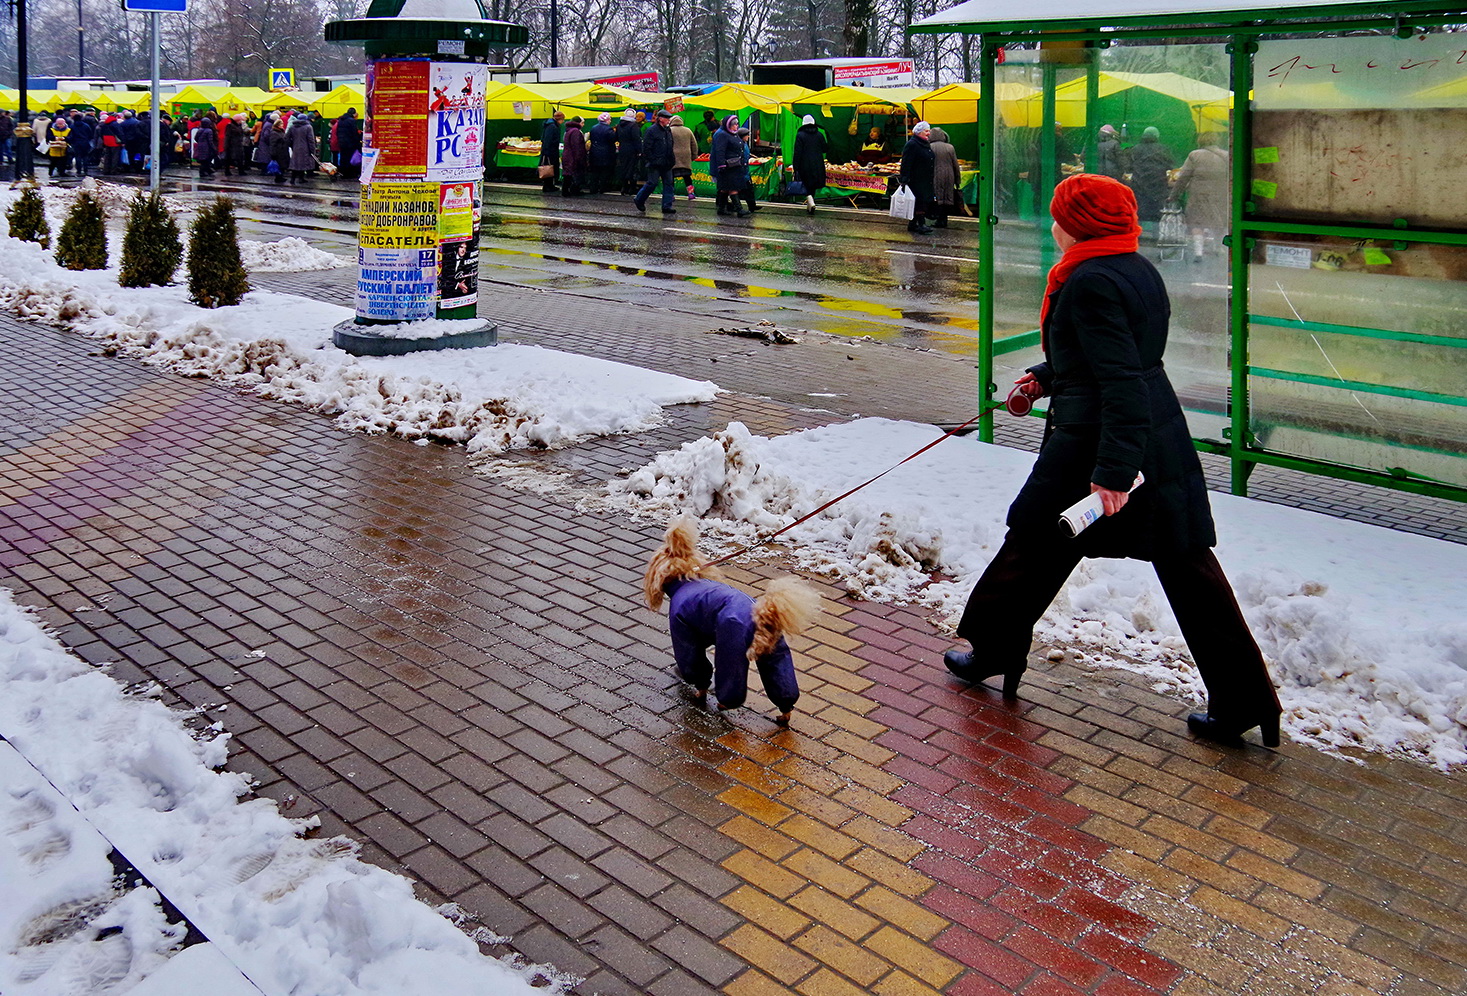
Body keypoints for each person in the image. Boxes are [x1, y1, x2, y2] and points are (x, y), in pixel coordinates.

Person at [941, 173, 1283, 750]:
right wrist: (1044, 378)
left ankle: (993, 651)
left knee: (1033, 541)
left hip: (1102, 445)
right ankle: (1246, 701)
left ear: (1079, 224)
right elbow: (1123, 356)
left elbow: (1121, 376)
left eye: (1058, 215)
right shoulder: (1133, 268)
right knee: (1185, 568)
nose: (1052, 225)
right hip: (1147, 436)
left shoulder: (1089, 281)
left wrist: (1113, 473)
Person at [1170, 131, 1229, 262]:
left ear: (1200, 141)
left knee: (1198, 222)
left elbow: (1183, 177)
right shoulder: (1226, 156)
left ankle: (1198, 253)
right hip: (1220, 193)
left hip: (1199, 194)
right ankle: (1218, 247)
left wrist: (1174, 195)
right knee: (1219, 221)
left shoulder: (1194, 155)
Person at [1127, 126, 1175, 234]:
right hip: (1158, 185)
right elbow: (1170, 165)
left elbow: (1128, 167)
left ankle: (1139, 234)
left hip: (1139, 185)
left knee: (1139, 210)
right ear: (1157, 136)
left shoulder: (1135, 149)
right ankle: (1156, 235)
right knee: (1156, 212)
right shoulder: (1163, 149)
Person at [633, 108, 677, 216]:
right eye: (666, 118)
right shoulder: (652, 130)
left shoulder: (668, 130)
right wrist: (652, 159)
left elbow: (670, 145)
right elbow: (646, 147)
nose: (668, 120)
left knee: (669, 183)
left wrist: (672, 159)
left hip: (666, 162)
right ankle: (639, 199)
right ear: (660, 119)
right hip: (655, 163)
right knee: (652, 183)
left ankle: (667, 206)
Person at [899, 120, 936, 235]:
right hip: (916, 179)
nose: (928, 133)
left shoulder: (924, 143)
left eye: (929, 131)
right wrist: (904, 179)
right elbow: (906, 162)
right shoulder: (912, 144)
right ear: (919, 132)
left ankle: (913, 224)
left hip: (925, 178)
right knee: (920, 201)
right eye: (926, 131)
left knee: (921, 200)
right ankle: (921, 224)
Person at [711, 114, 748, 218]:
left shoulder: (733, 134)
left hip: (735, 166)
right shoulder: (722, 135)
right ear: (728, 125)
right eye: (734, 124)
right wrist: (721, 165)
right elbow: (719, 151)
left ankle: (721, 209)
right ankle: (739, 209)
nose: (736, 126)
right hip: (728, 166)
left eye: (737, 124)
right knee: (733, 188)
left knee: (725, 188)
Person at [791, 114, 826, 216]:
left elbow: (797, 152)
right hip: (817, 163)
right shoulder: (819, 135)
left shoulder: (800, 135)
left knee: (805, 183)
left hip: (804, 163)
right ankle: (811, 202)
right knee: (813, 183)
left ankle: (810, 200)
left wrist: (795, 166)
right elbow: (825, 148)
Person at [928, 126, 962, 228]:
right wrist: (957, 180)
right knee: (946, 197)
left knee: (937, 197)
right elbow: (955, 165)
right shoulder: (950, 147)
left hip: (935, 175)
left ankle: (938, 219)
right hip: (949, 175)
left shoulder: (929, 147)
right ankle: (944, 219)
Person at [668, 113, 697, 202]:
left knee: (671, 177)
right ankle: (691, 193)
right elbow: (694, 144)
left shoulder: (669, 130)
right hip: (686, 156)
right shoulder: (688, 130)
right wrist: (694, 155)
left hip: (673, 157)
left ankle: (671, 194)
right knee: (687, 177)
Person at [587, 111, 616, 195]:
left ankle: (593, 188)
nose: (610, 121)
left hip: (594, 152)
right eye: (609, 119)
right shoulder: (608, 129)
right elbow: (612, 139)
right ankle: (603, 188)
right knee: (604, 172)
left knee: (594, 172)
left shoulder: (593, 128)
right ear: (606, 120)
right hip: (605, 153)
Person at [614, 109, 641, 195]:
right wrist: (639, 150)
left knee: (623, 167)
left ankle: (624, 187)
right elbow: (636, 139)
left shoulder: (619, 125)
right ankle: (632, 188)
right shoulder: (633, 126)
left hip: (622, 148)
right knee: (632, 168)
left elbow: (616, 137)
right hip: (632, 150)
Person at [736, 126, 761, 214]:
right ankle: (745, 207)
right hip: (741, 171)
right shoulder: (740, 145)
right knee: (743, 190)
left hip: (745, 170)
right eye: (747, 135)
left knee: (748, 189)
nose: (748, 137)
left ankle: (752, 206)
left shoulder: (744, 144)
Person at [560, 116, 587, 196]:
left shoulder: (569, 130)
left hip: (567, 154)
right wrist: (579, 158)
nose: (583, 125)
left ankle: (565, 190)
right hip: (572, 156)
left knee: (568, 173)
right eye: (582, 123)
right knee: (574, 173)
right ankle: (572, 190)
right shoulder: (576, 132)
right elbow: (576, 146)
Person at [539, 110, 564, 193]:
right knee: (549, 169)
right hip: (550, 152)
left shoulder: (550, 125)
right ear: (560, 119)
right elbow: (548, 140)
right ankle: (548, 186)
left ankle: (549, 185)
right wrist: (547, 152)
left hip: (549, 151)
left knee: (550, 169)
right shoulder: (552, 127)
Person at [288, 112, 316, 184]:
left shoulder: (292, 127)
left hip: (295, 147)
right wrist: (312, 150)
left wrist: (291, 144)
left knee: (295, 163)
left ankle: (292, 179)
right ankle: (301, 178)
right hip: (305, 147)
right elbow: (311, 140)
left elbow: (287, 137)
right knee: (303, 163)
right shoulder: (308, 127)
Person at [337, 108, 361, 180]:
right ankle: (350, 174)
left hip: (341, 142)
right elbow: (354, 133)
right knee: (350, 159)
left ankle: (343, 173)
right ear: (354, 113)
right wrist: (357, 141)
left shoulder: (341, 120)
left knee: (343, 158)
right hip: (350, 143)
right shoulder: (351, 121)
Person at [192, 111, 218, 178]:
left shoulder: (200, 129)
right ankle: (203, 172)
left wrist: (200, 142)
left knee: (203, 160)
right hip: (207, 147)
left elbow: (196, 138)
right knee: (206, 159)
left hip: (200, 146)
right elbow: (210, 141)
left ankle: (203, 171)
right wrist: (213, 148)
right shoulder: (209, 131)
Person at [69, 112, 94, 178]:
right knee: (85, 156)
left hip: (76, 143)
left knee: (78, 156)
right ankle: (85, 169)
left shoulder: (72, 126)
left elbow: (70, 136)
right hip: (85, 142)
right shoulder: (86, 125)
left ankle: (79, 170)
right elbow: (90, 135)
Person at [46, 114, 70, 179]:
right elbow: (48, 137)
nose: (60, 125)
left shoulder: (68, 130)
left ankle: (62, 172)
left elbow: (70, 138)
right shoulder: (52, 130)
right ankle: (50, 172)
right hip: (54, 149)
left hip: (63, 149)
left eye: (61, 124)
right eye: (58, 124)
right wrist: (55, 138)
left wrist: (64, 138)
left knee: (63, 161)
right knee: (53, 162)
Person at [268, 116, 291, 184]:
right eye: (281, 124)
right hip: (278, 151)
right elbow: (273, 144)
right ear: (277, 125)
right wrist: (273, 153)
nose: (282, 125)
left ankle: (281, 176)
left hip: (282, 151)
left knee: (282, 164)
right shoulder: (274, 133)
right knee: (279, 165)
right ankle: (278, 177)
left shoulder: (280, 131)